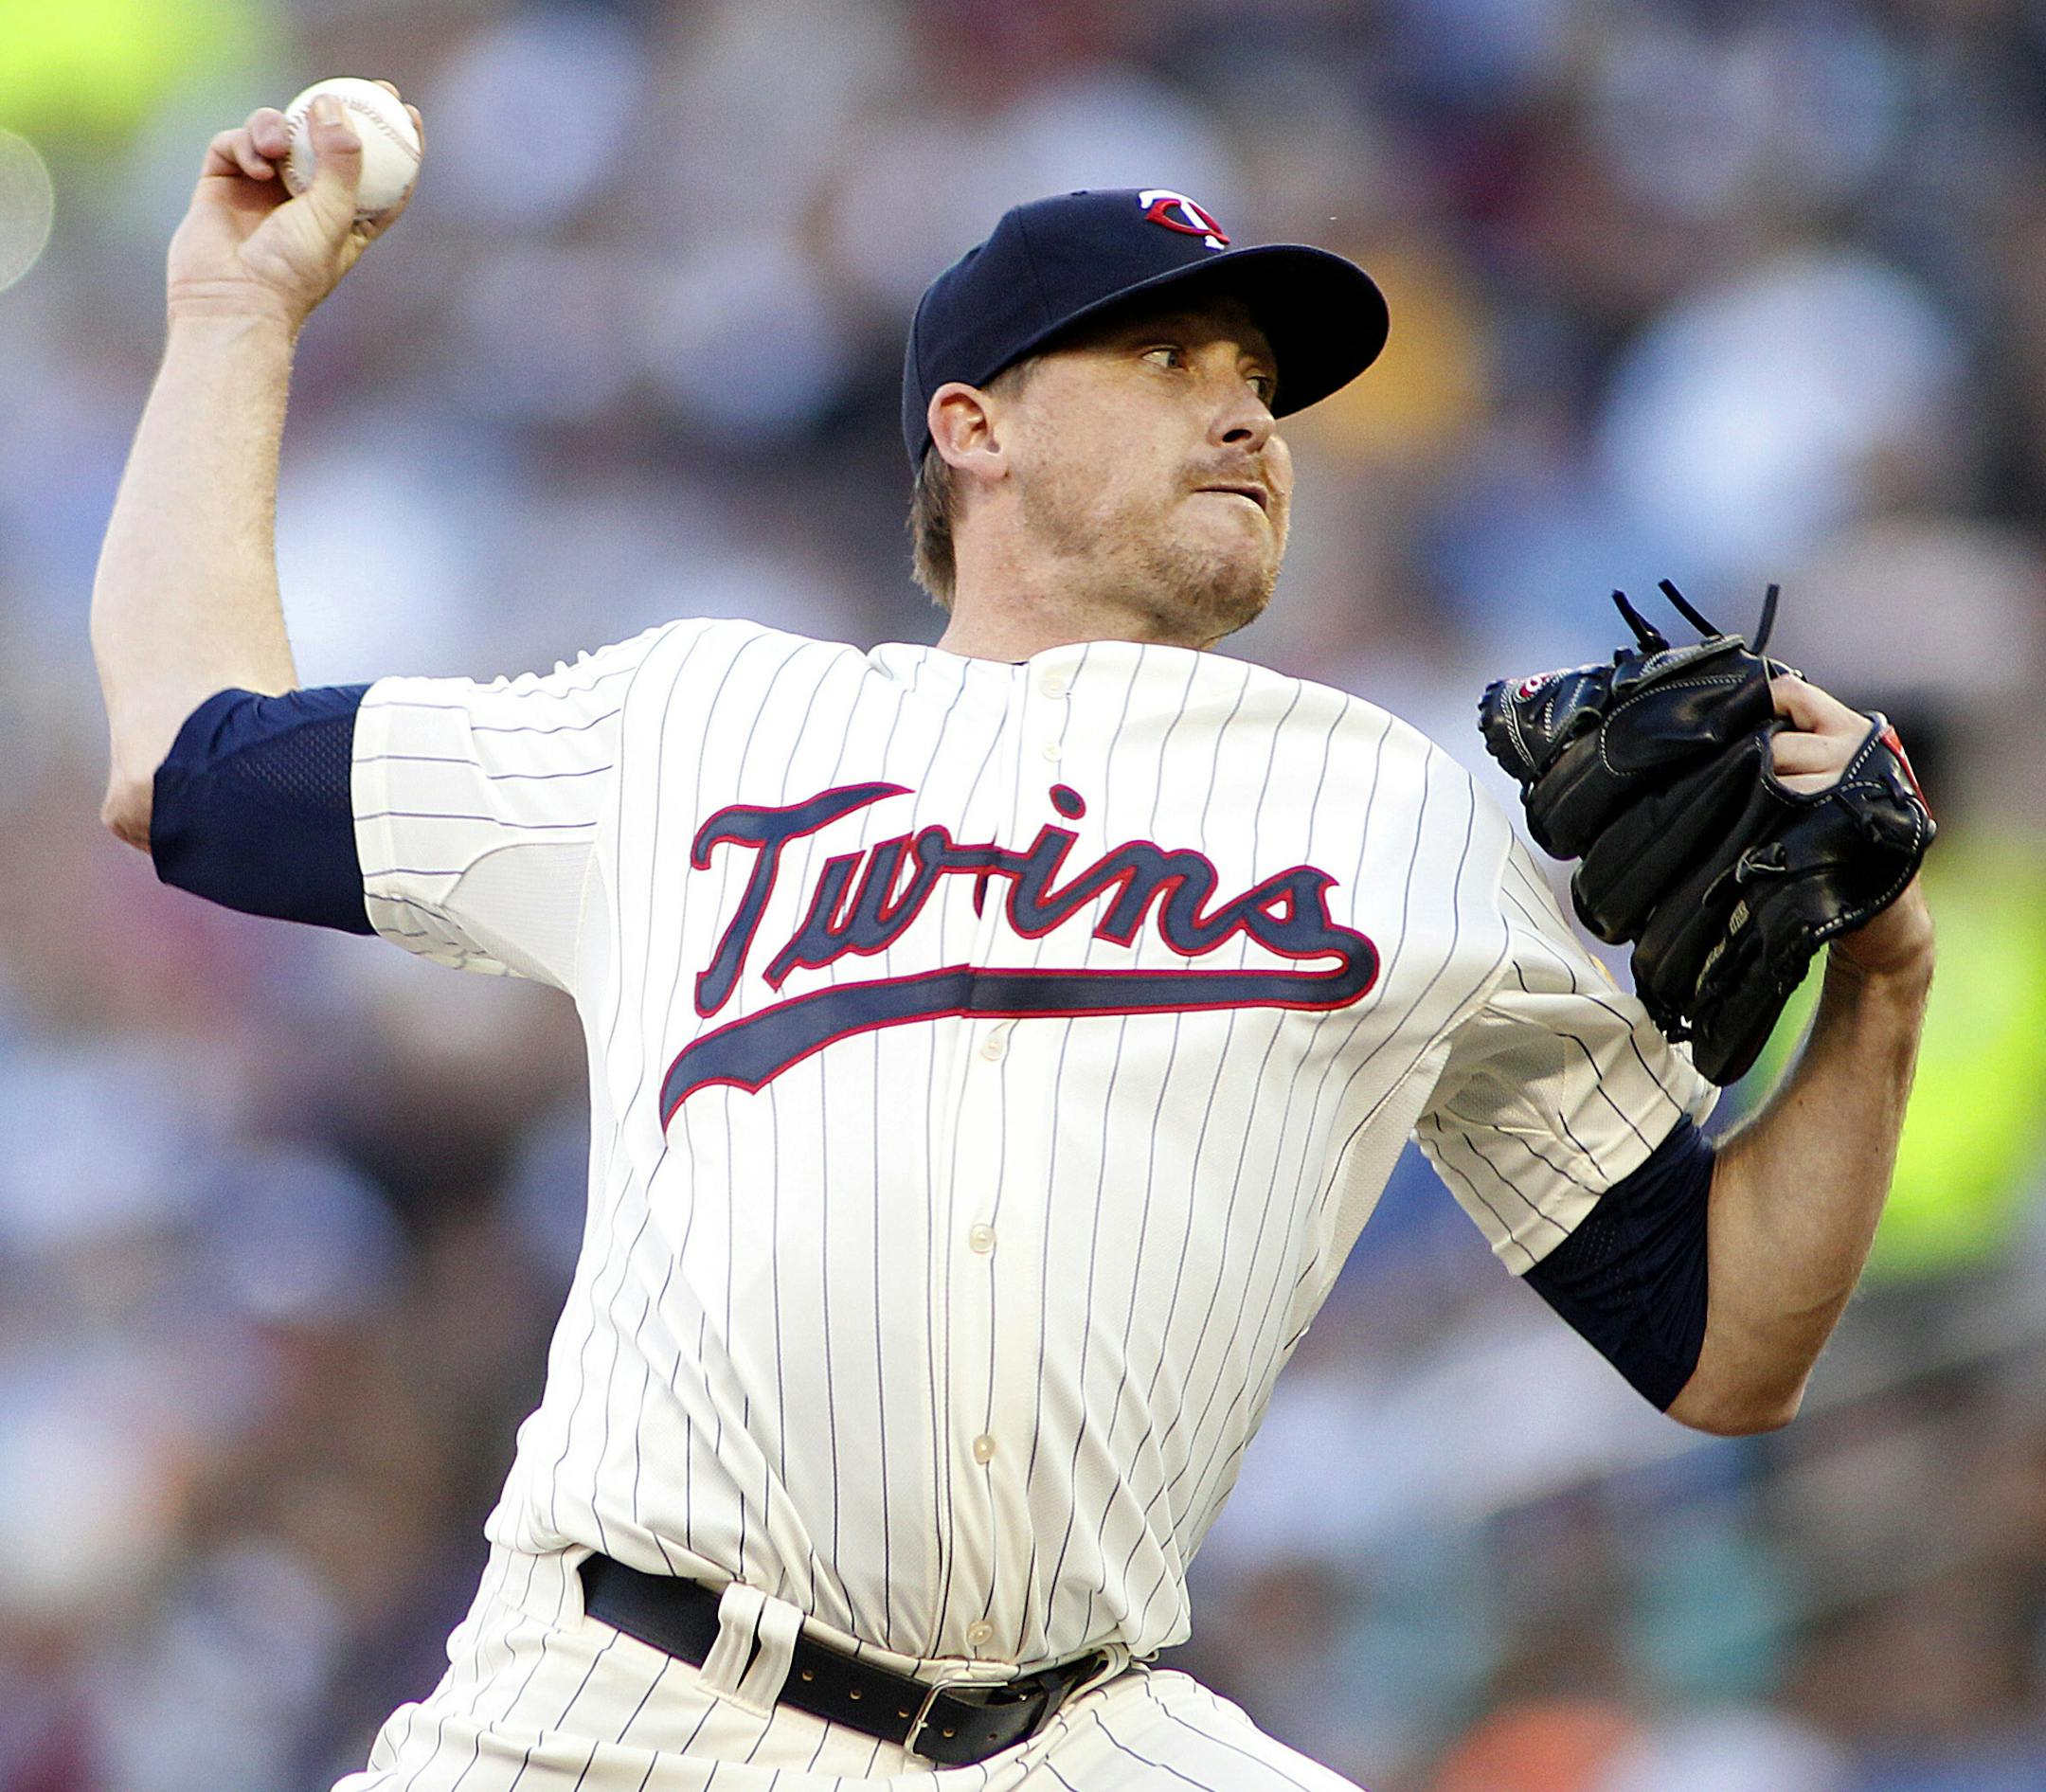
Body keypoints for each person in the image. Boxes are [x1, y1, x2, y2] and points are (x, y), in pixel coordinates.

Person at [90, 88, 1935, 1792]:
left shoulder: (1404, 811)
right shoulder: (693, 720)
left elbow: (1718, 1345)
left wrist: (1884, 976)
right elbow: (184, 763)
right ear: (970, 426)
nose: (1245, 411)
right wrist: (237, 320)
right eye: (1166, 356)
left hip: (1077, 1734)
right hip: (617, 1700)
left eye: (1262, 382)